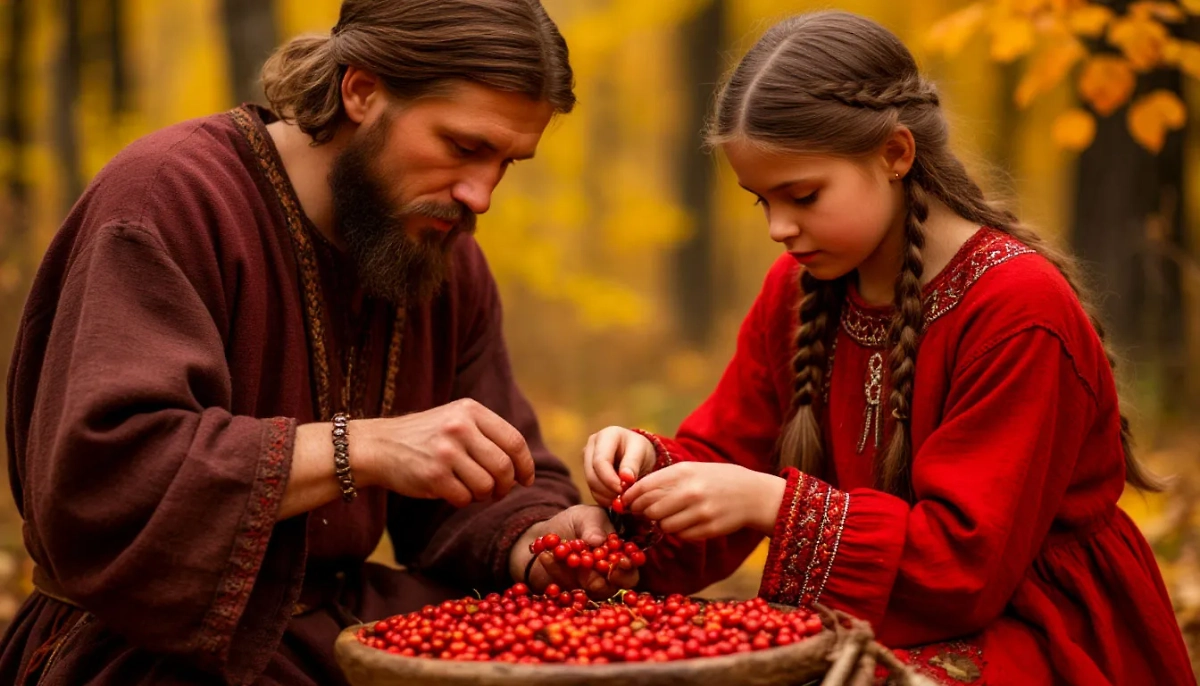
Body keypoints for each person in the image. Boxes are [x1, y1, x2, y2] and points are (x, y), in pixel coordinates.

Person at [0, 1, 633, 684]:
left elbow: (489, 480)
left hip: (336, 631)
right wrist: (363, 446)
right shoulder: (168, 198)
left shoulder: (436, 250)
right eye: (464, 147)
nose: (481, 194)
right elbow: (106, 479)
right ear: (360, 90)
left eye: (508, 161)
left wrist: (538, 541)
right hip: (149, 650)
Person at [582, 11, 1195, 685]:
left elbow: (966, 568)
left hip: (1039, 626)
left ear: (895, 154)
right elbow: (730, 454)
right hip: (879, 614)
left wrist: (770, 504)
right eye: (761, 201)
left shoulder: (1019, 309)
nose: (780, 227)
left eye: (803, 195)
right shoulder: (798, 288)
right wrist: (649, 470)